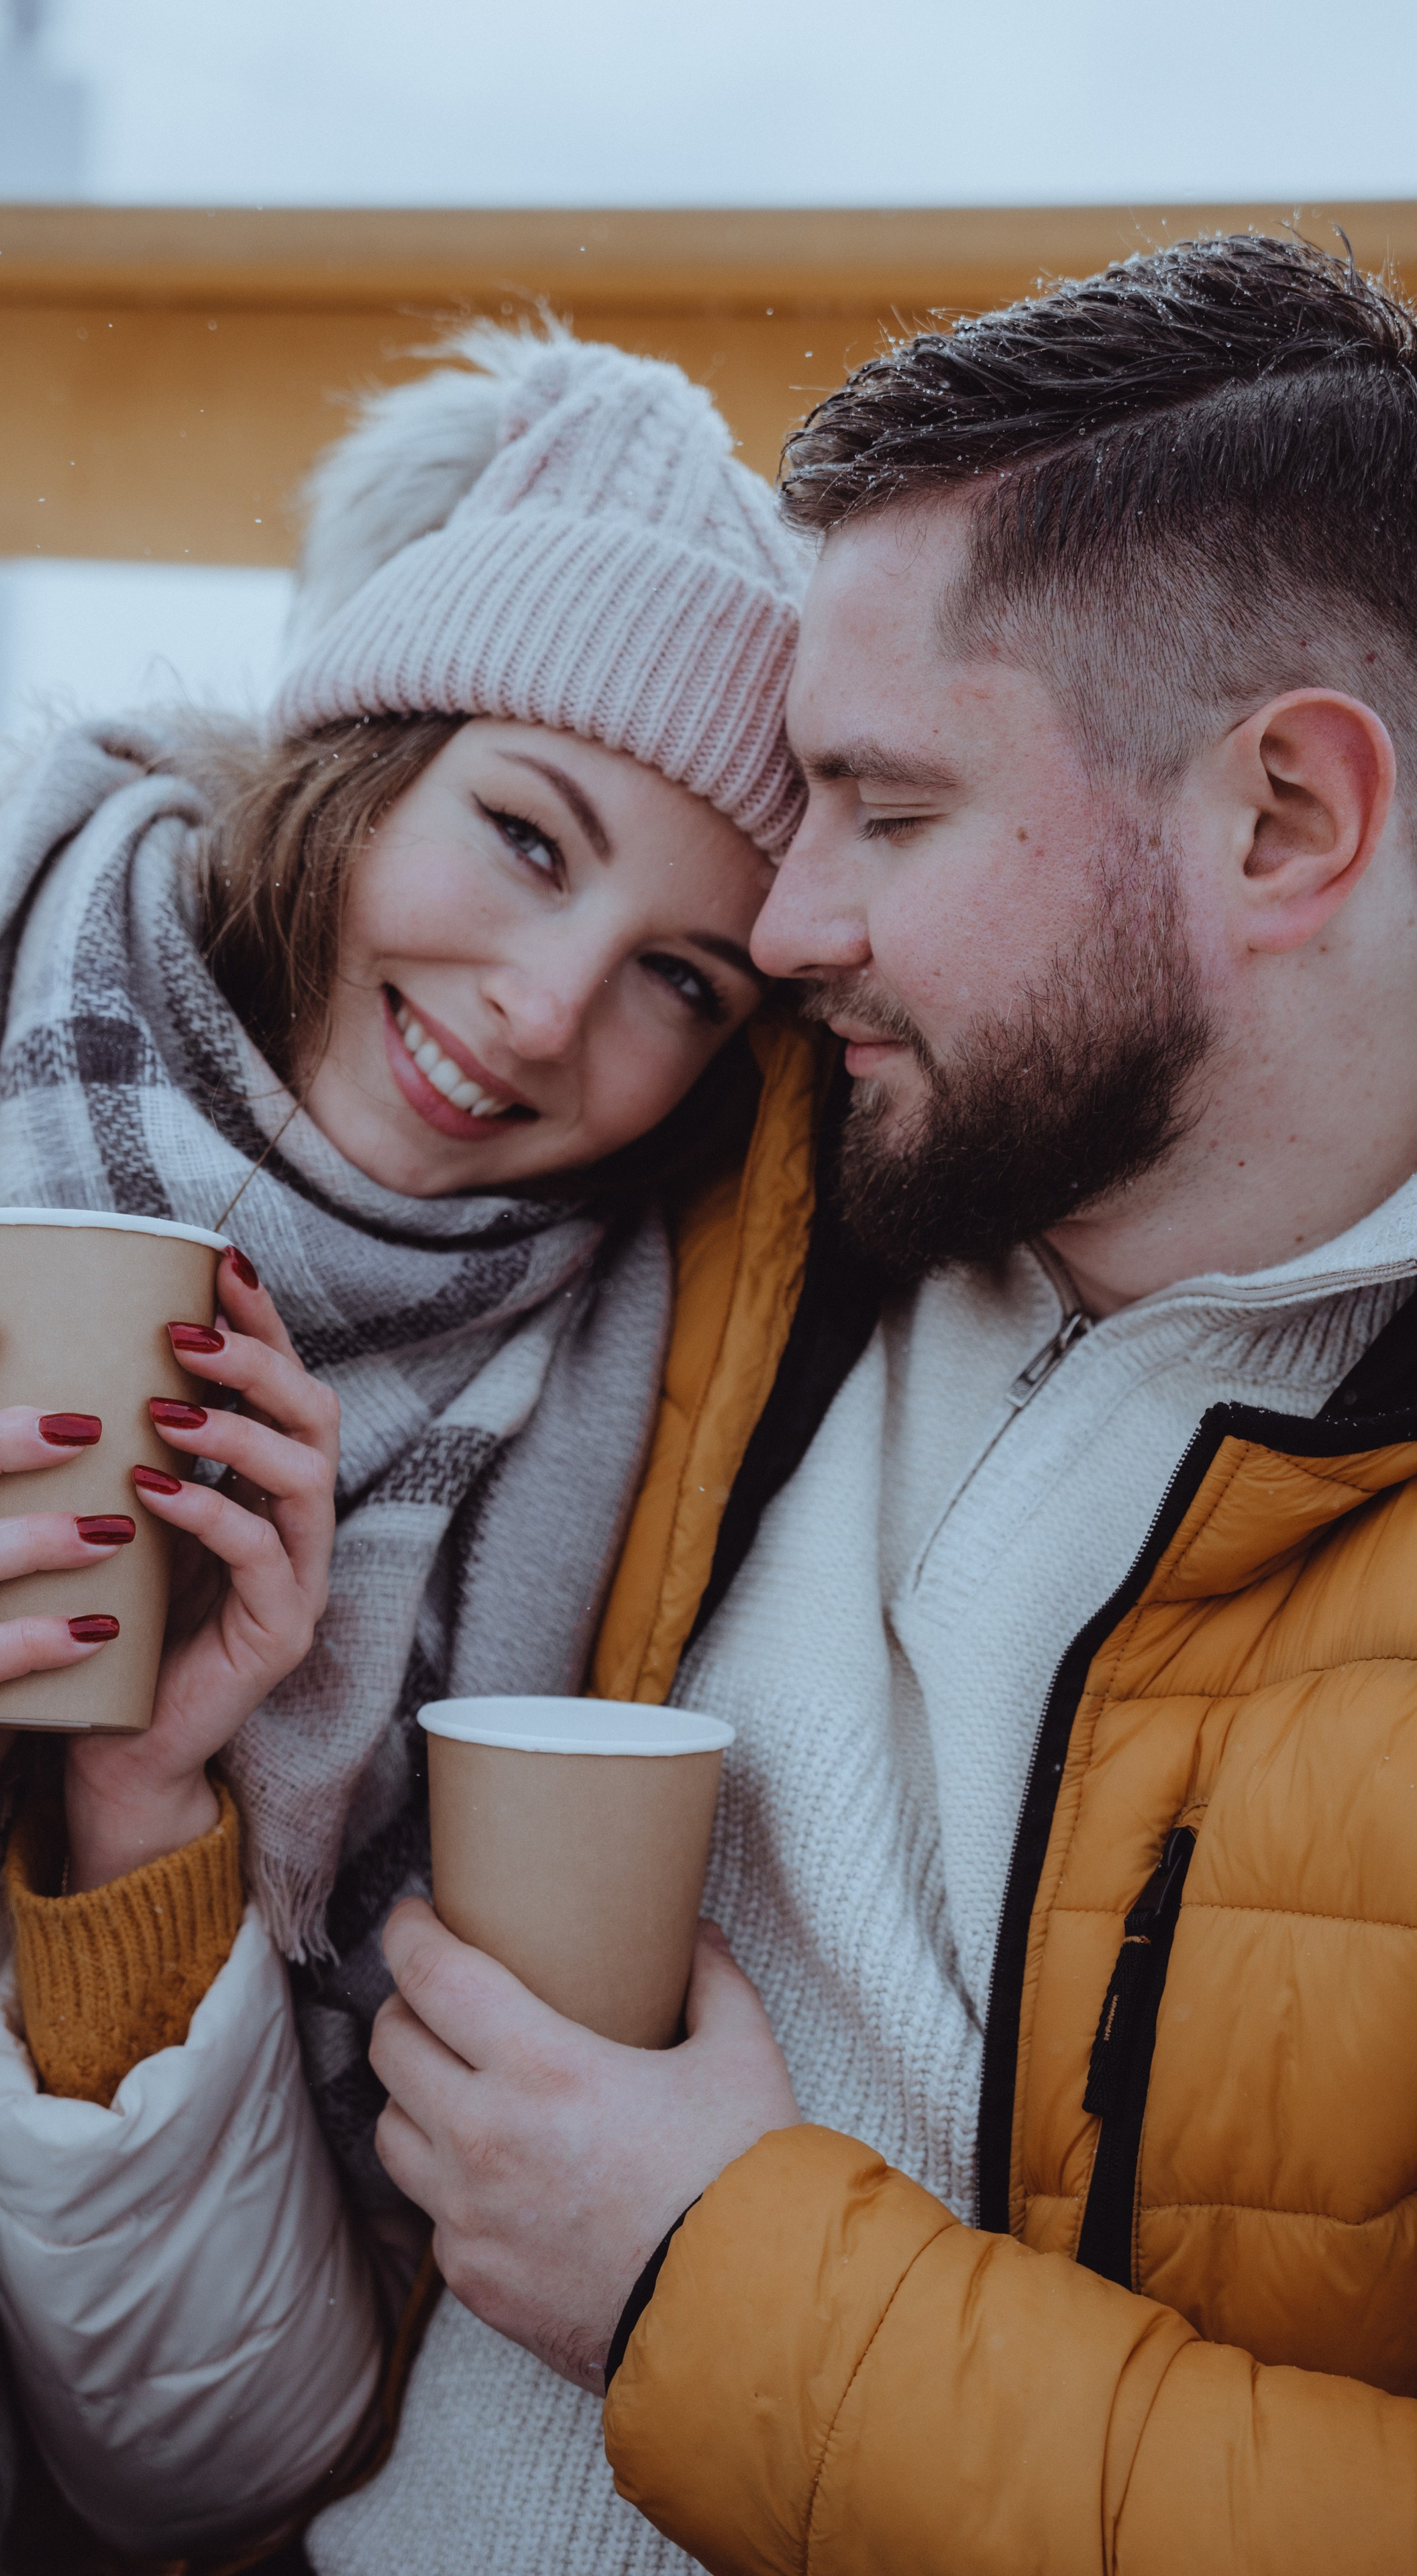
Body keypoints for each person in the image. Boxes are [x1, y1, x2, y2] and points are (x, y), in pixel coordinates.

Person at [0, 324, 816, 2575]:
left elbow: (229, 2468)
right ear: (361, 757)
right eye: (524, 838)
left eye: (683, 979)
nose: (540, 1011)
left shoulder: (610, 1444)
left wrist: (143, 1832)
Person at [362, 231, 1417, 2575]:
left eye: (887, 809)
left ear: (1281, 825)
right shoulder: (744, 1149)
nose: (787, 919)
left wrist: (706, 2271)